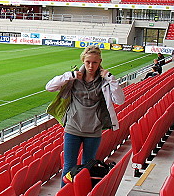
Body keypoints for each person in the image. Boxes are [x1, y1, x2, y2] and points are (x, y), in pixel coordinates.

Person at [46, 46, 125, 186]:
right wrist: (69, 75)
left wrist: (111, 79)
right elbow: (50, 87)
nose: (91, 66)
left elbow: (119, 100)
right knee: (68, 167)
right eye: (88, 62)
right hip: (73, 128)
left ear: (100, 62)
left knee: (88, 168)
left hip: (94, 130)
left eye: (95, 63)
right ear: (83, 60)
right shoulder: (73, 77)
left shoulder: (104, 81)